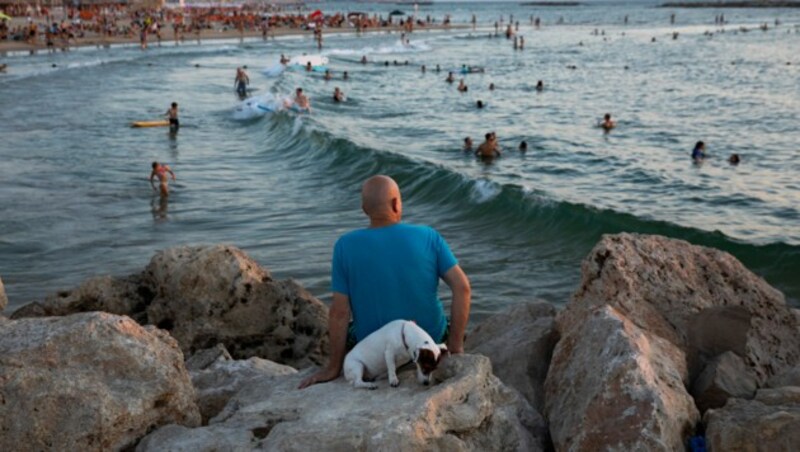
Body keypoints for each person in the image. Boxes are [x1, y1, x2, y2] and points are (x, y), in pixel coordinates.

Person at [298, 175, 471, 389]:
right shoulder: (428, 236)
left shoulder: (345, 246)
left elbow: (340, 312)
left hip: (376, 353)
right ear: (396, 203)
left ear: (364, 209)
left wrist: (334, 367)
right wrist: (456, 347)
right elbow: (462, 288)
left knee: (352, 328)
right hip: (429, 339)